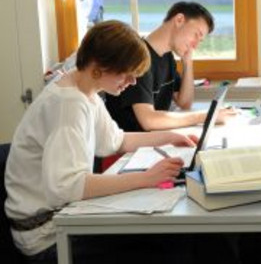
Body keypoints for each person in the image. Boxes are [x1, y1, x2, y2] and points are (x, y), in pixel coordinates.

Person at [4, 20, 199, 263]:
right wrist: (145, 179)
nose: (132, 82)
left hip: (60, 219)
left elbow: (115, 141)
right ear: (99, 68)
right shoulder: (69, 105)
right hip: (47, 238)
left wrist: (170, 137)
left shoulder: (85, 91)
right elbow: (67, 186)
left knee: (172, 237)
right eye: (127, 73)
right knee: (171, 241)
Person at [105, 1, 236, 132]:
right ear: (179, 20)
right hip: (128, 147)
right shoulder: (137, 57)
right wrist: (206, 116)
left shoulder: (167, 57)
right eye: (196, 35)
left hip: (151, 141)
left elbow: (184, 103)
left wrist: (187, 62)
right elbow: (148, 121)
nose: (195, 45)